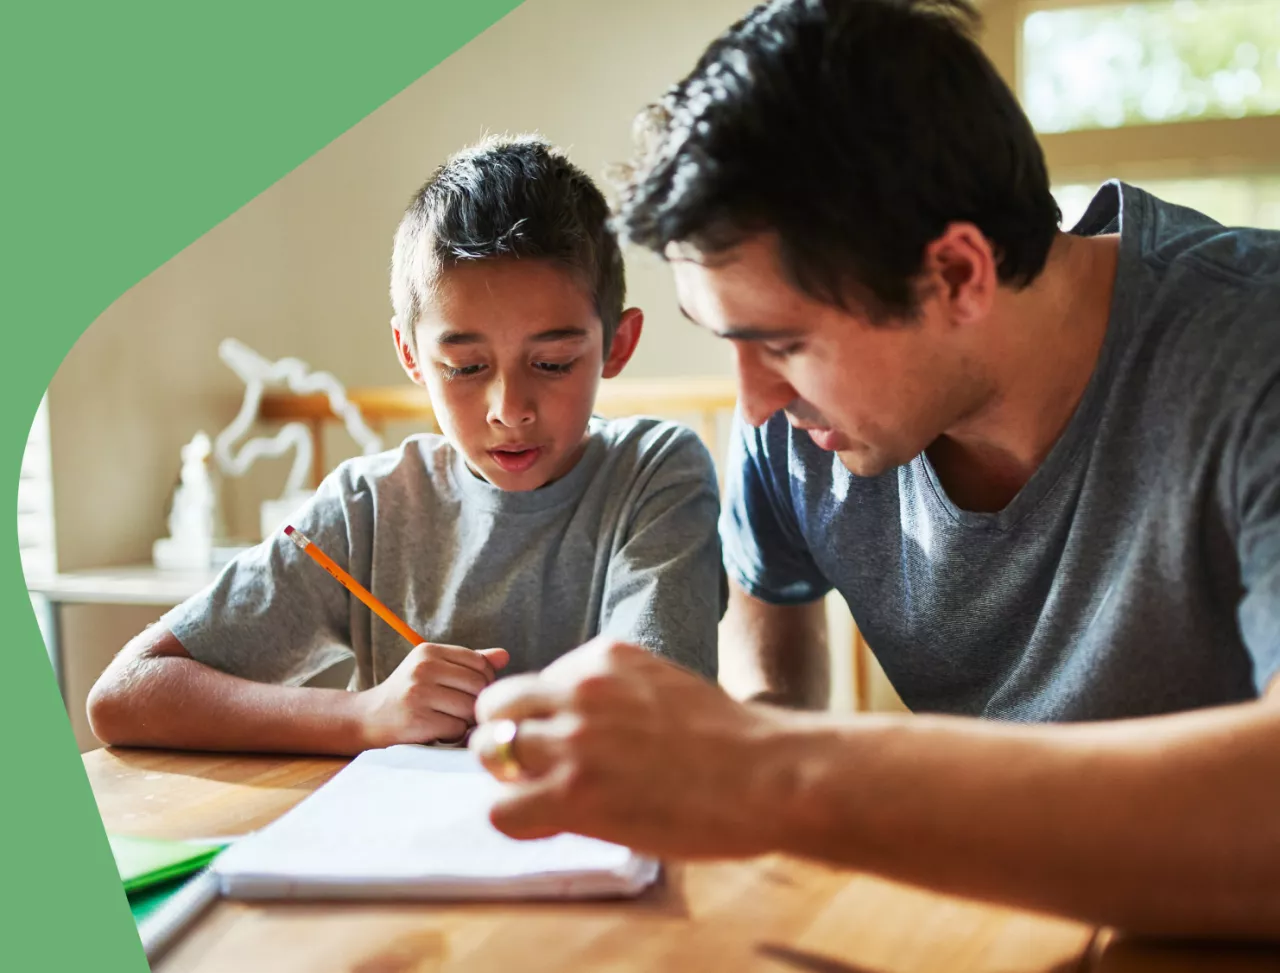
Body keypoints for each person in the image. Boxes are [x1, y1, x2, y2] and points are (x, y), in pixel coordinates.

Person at [469, 0, 1280, 939]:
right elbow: (770, 640)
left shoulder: (1252, 352)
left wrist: (763, 768)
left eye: (782, 342)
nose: (756, 399)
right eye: (729, 339)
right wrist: (741, 743)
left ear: (959, 275)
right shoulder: (796, 423)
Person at [87, 135, 724, 755]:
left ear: (617, 344)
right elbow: (126, 691)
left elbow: (659, 708)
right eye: (466, 368)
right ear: (411, 356)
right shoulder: (368, 507)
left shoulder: (656, 474)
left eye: (554, 362)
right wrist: (362, 715)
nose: (509, 410)